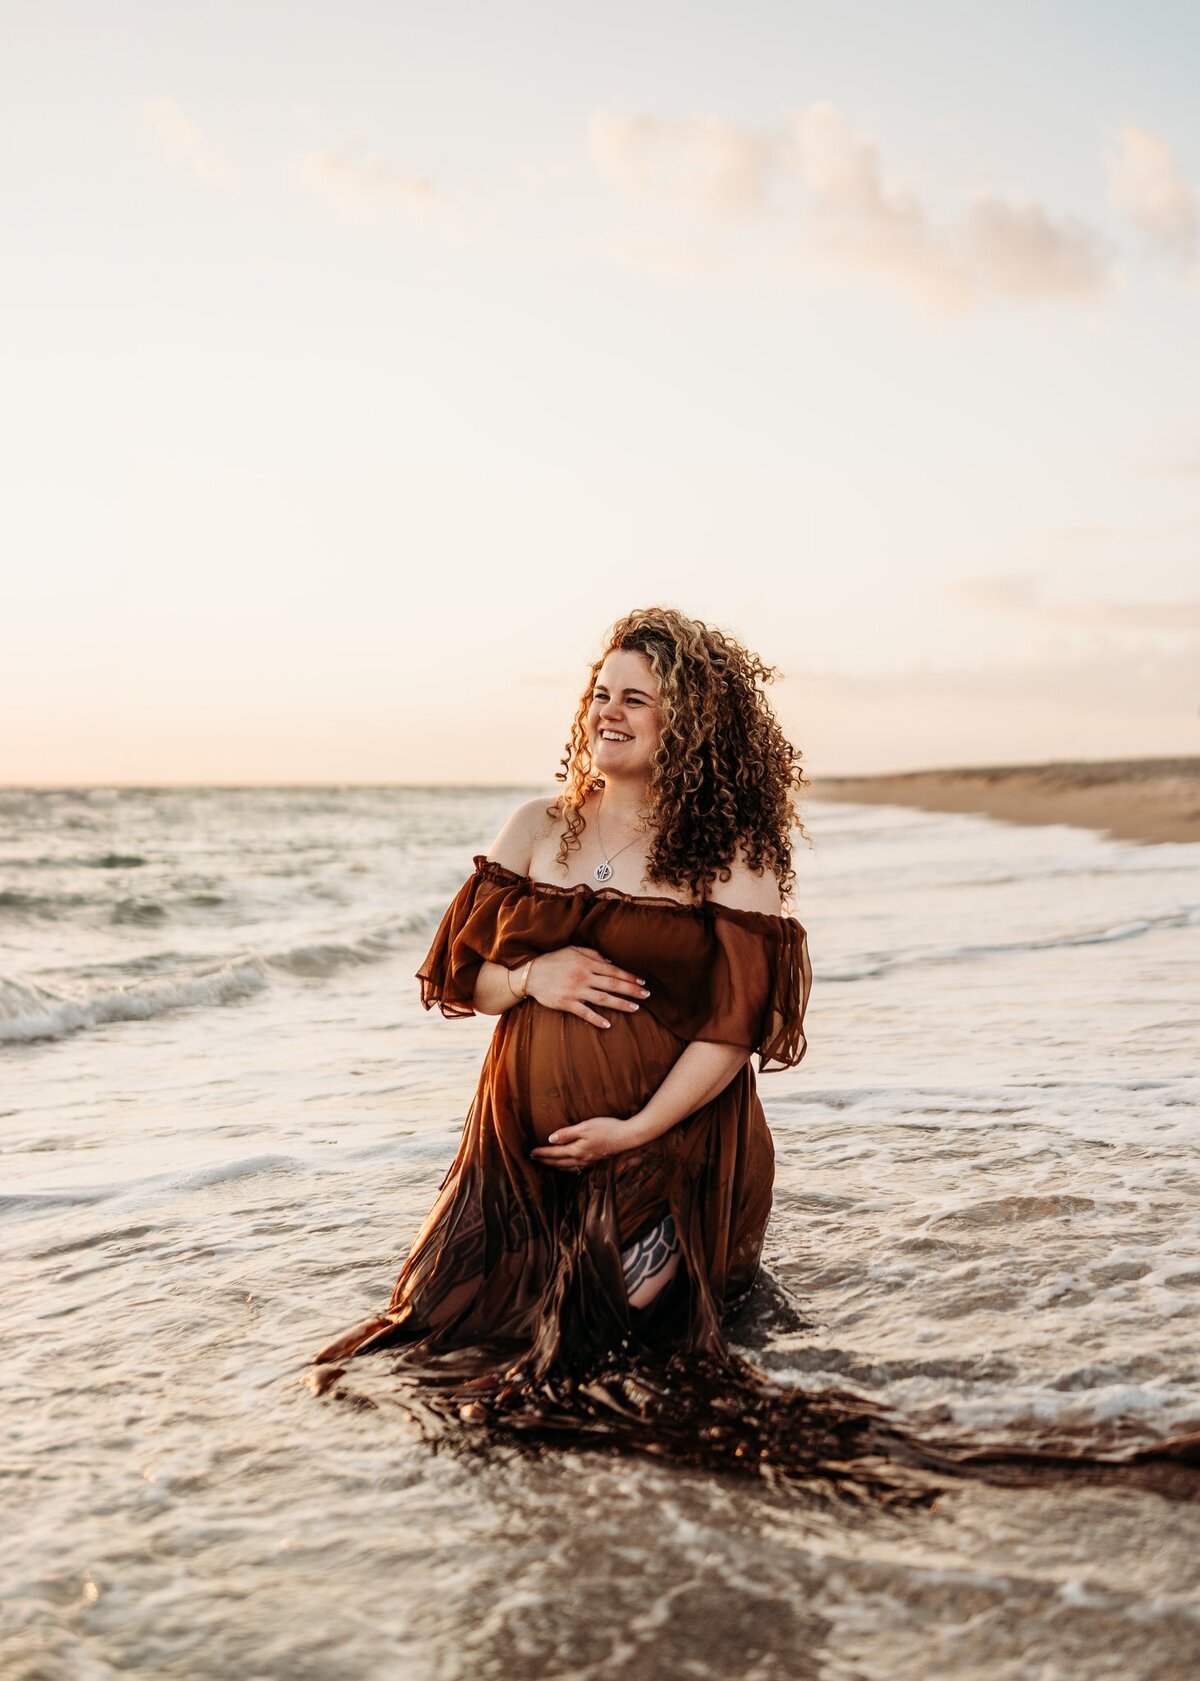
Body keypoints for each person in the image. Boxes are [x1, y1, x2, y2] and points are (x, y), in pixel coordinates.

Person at [310, 607, 1200, 1508]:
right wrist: (536, 973)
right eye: (599, 694)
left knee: (635, 1365)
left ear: (687, 721)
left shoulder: (730, 853)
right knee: (458, 1362)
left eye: (637, 700)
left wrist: (631, 1129)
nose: (607, 712)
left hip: (666, 1147)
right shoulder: (539, 825)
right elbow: (462, 976)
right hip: (518, 1158)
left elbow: (734, 1033)